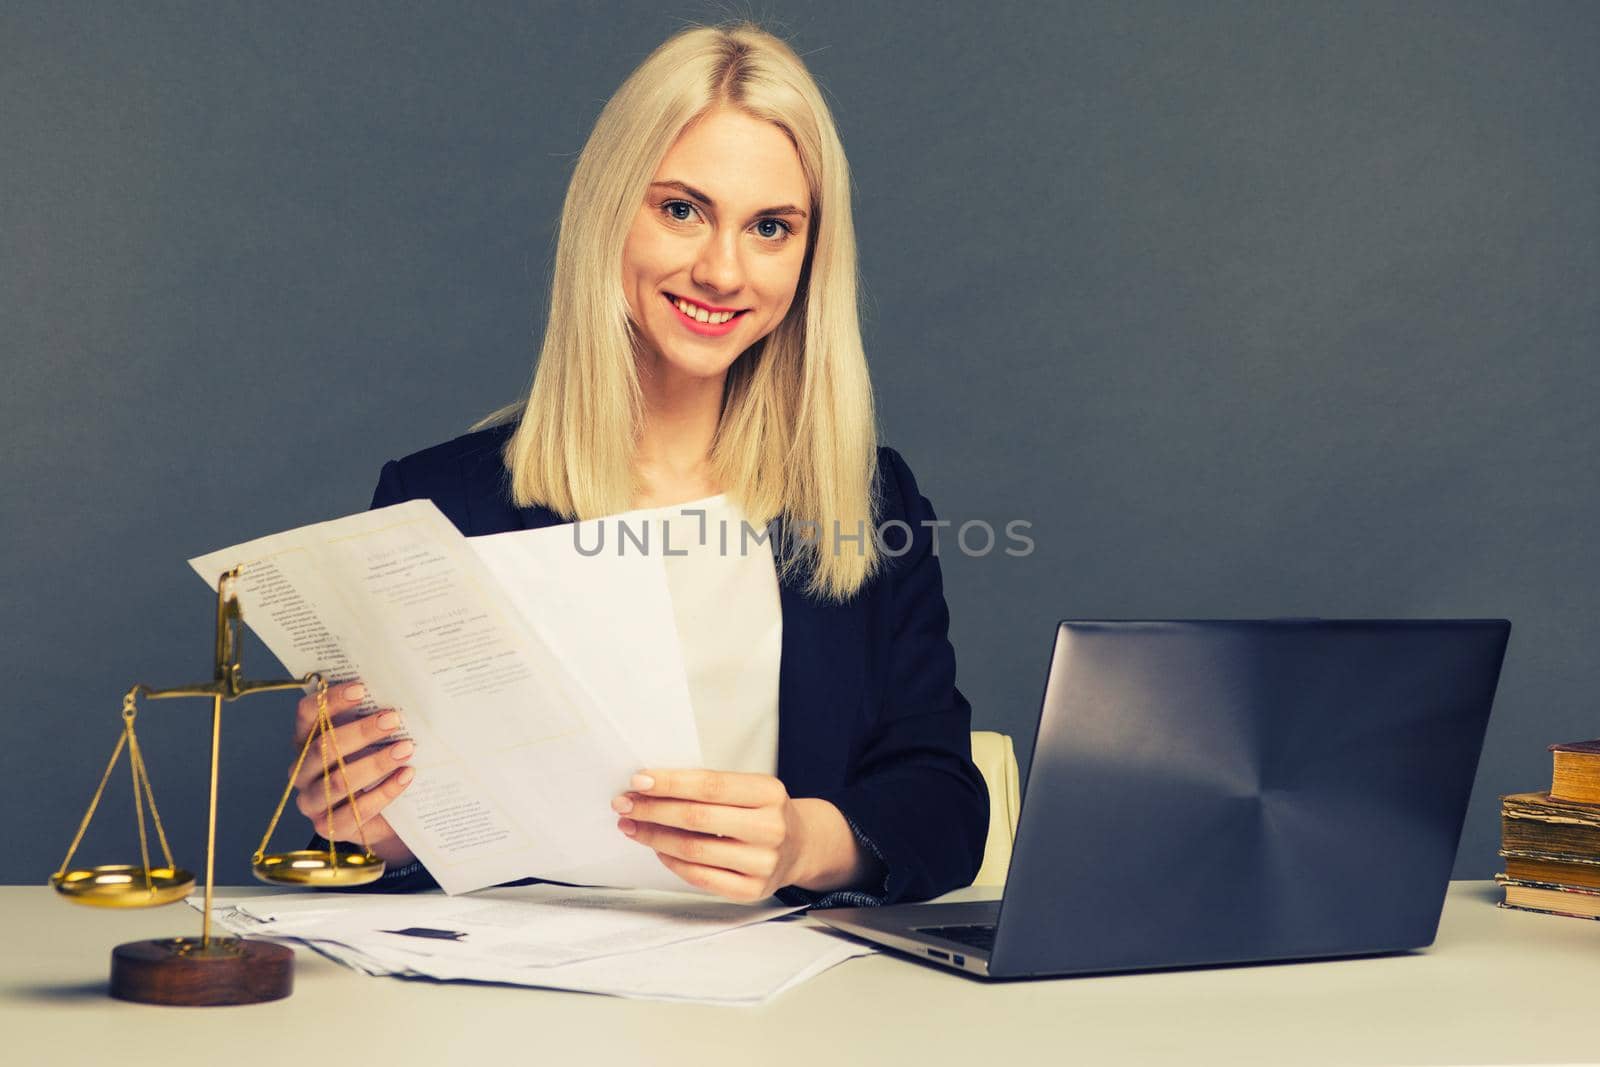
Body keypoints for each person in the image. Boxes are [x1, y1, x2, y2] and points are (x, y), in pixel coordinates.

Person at [290, 20, 988, 909]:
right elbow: (381, 833)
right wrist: (370, 831)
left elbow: (945, 803)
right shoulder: (438, 500)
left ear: (811, 257)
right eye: (681, 209)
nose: (723, 270)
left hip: (785, 1008)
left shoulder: (868, 497)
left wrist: (804, 841)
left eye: (771, 226)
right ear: (610, 211)